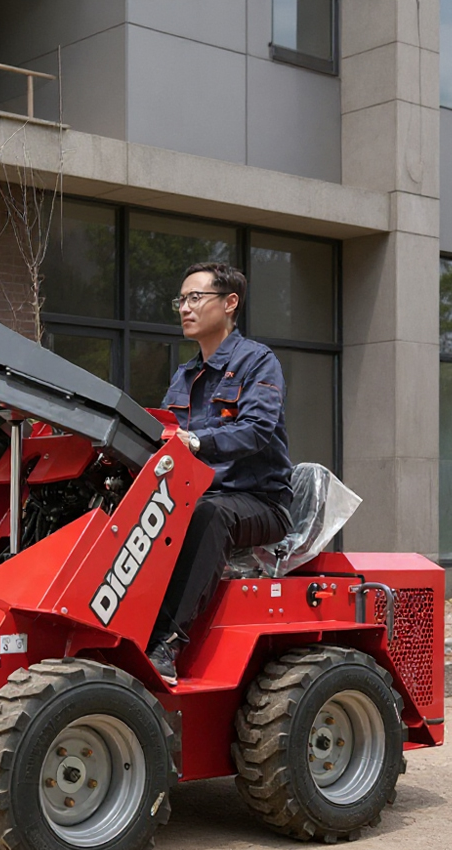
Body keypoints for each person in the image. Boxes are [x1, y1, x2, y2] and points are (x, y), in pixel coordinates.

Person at [147, 262, 293, 685]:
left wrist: (198, 441)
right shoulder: (185, 375)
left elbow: (257, 431)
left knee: (209, 516)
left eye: (196, 298)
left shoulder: (258, 362)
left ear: (230, 304)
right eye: (181, 300)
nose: (185, 308)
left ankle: (168, 643)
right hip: (199, 495)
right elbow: (164, 434)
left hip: (260, 503)